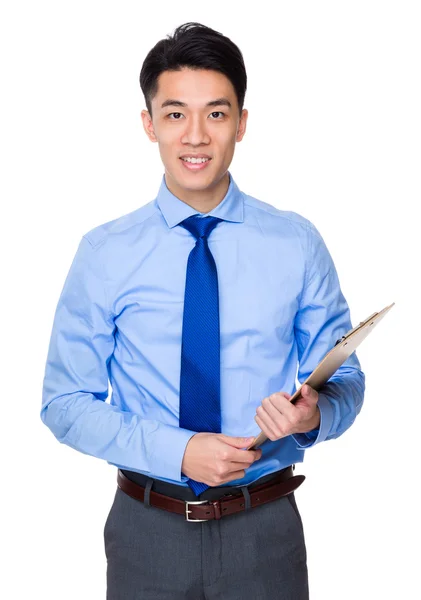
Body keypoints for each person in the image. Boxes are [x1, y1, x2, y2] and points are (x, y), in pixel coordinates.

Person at [40, 21, 365, 600]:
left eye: (216, 113)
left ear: (241, 122)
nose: (195, 135)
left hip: (265, 530)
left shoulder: (295, 243)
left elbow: (344, 377)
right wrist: (181, 450)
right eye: (174, 114)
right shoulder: (104, 252)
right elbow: (64, 405)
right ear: (149, 124)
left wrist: (312, 415)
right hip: (148, 531)